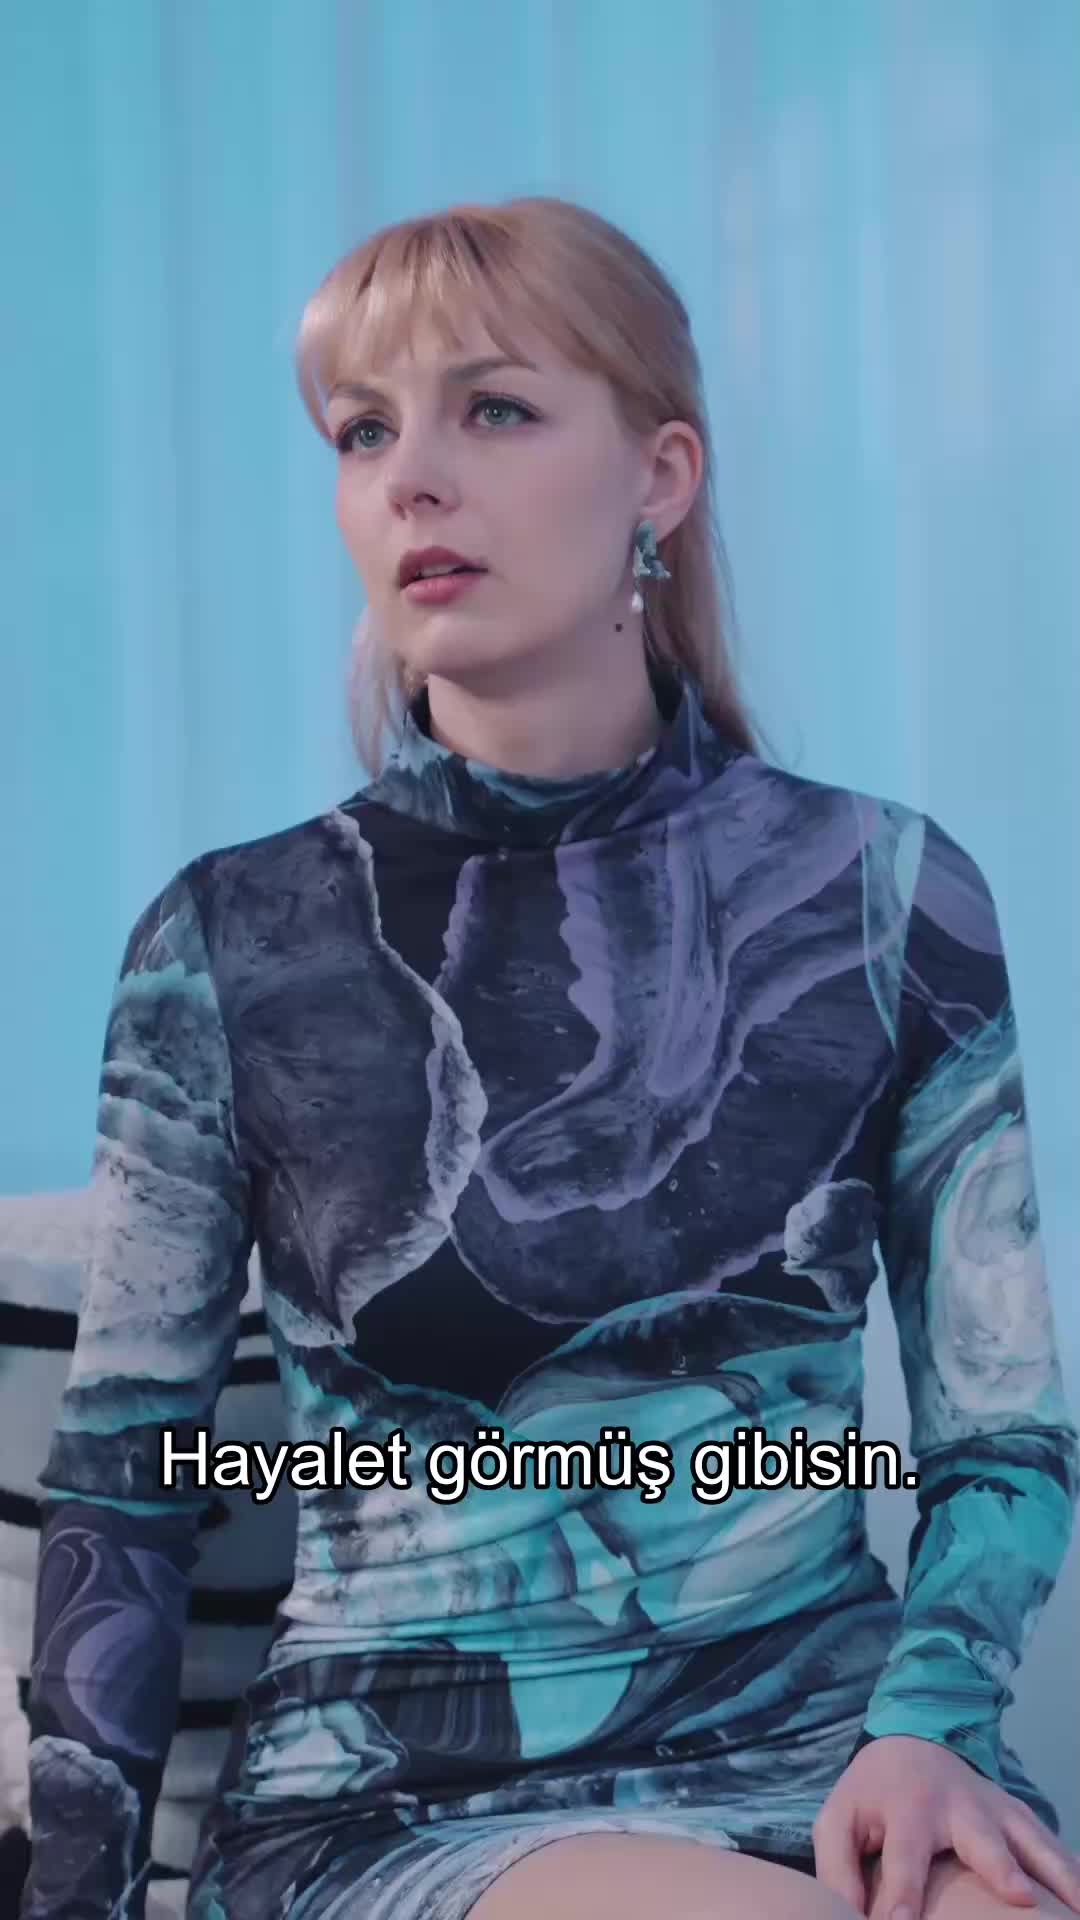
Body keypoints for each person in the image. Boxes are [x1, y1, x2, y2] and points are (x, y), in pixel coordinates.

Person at [20, 195, 1080, 1920]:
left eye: (494, 409)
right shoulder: (231, 939)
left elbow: (1002, 1431)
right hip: (398, 1794)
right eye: (365, 433)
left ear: (661, 476)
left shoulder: (888, 893)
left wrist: (931, 1722)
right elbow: (127, 1487)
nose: (413, 481)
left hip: (833, 1744)